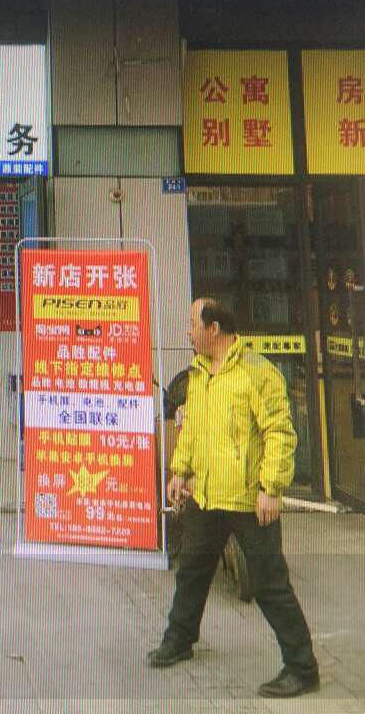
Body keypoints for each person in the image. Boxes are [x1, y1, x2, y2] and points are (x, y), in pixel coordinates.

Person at [148, 297, 319, 699]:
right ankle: (179, 639)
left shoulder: (258, 372)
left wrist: (271, 488)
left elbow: (280, 433)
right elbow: (192, 429)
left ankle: (302, 668)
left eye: (193, 324)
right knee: (192, 571)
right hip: (206, 494)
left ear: (214, 329)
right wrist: (179, 471)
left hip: (247, 500)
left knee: (269, 583)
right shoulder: (199, 372)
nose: (188, 332)